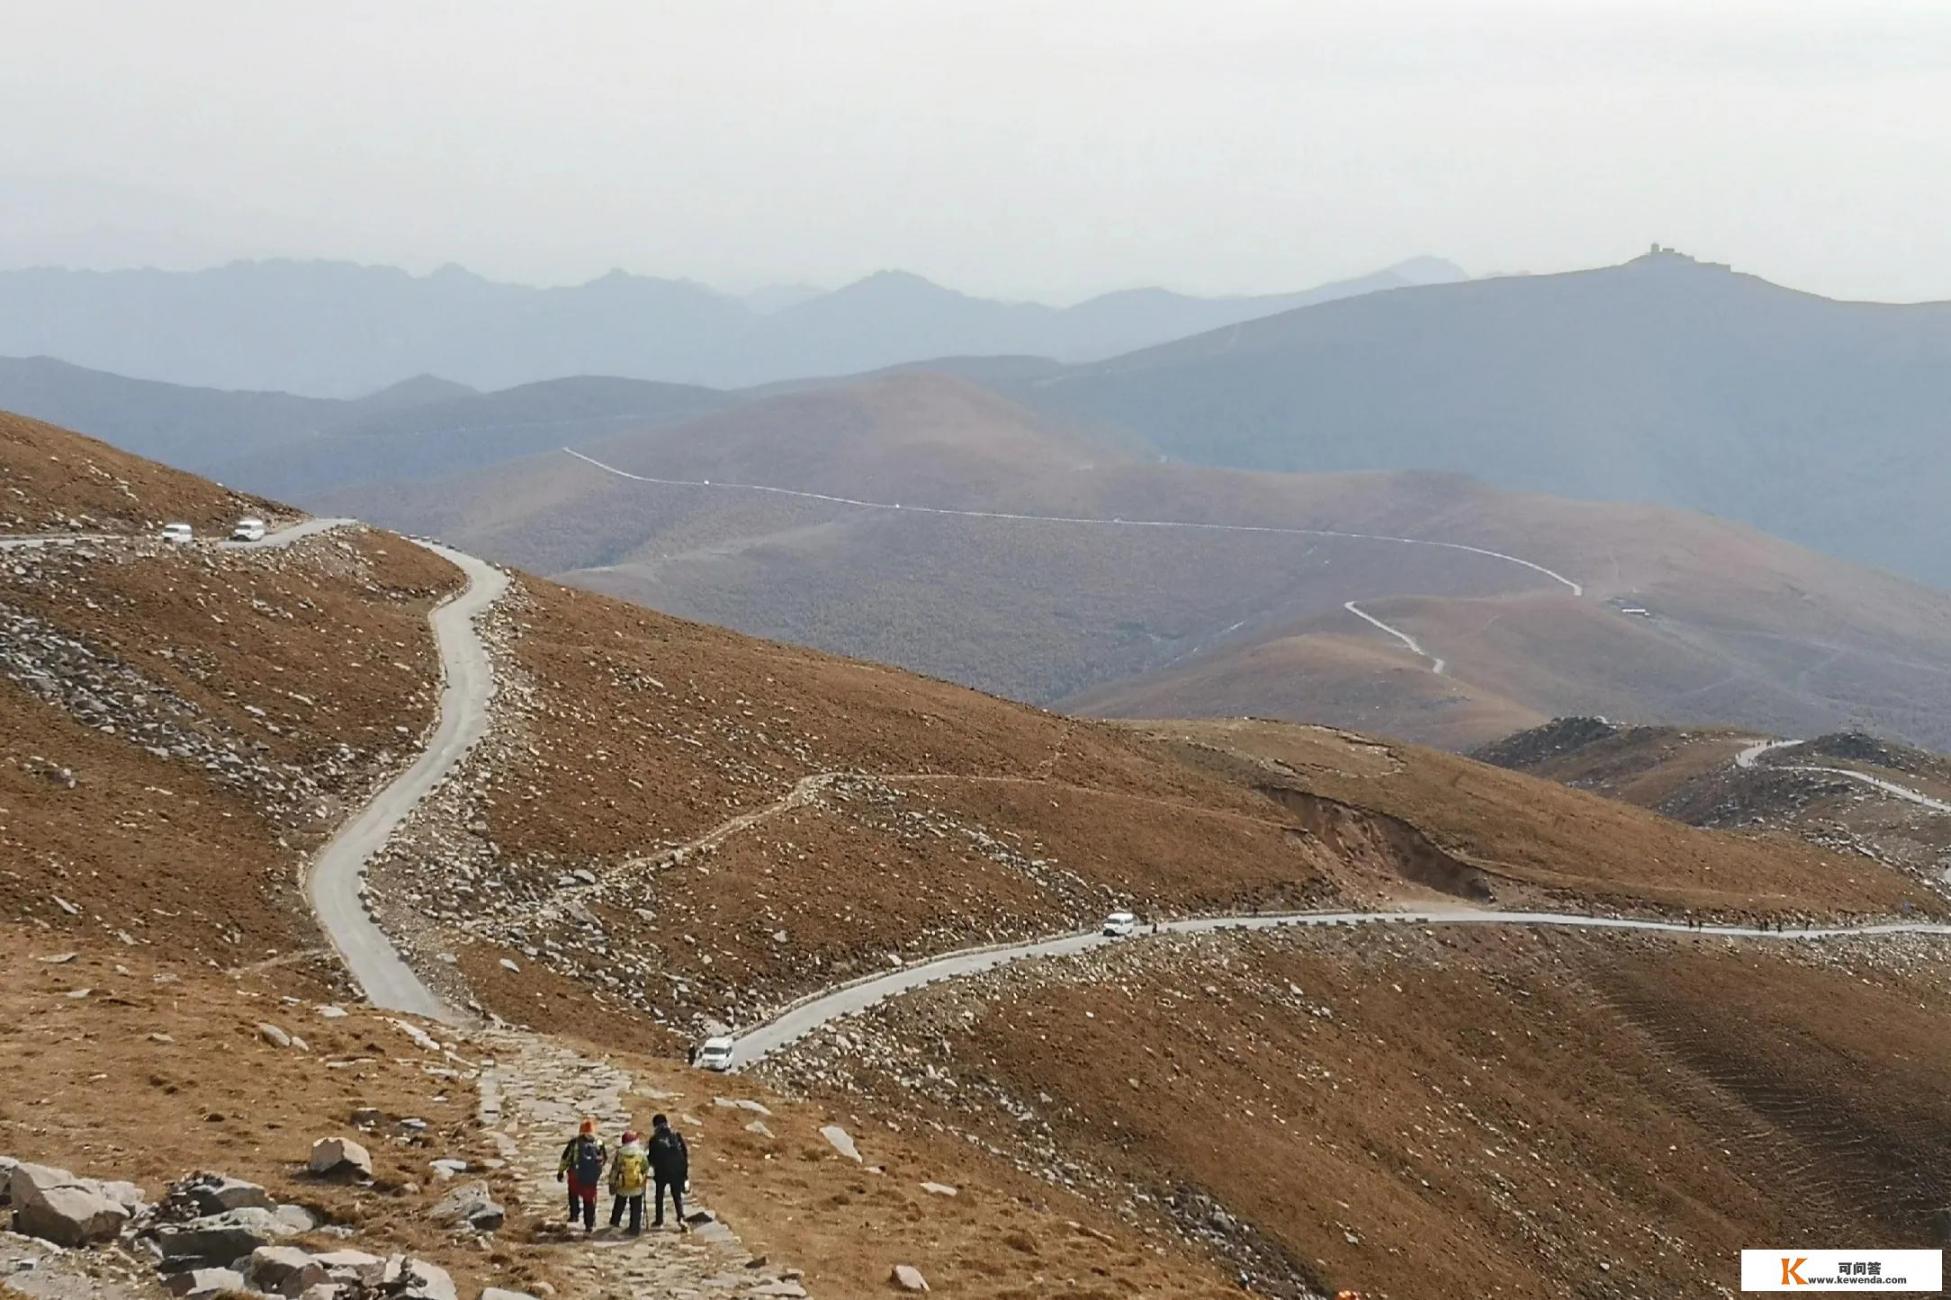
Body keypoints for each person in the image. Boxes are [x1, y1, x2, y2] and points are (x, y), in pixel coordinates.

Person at [556, 1117, 607, 1232]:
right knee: (589, 1199)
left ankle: (574, 1215)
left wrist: (560, 1171)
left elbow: (566, 1158)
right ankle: (589, 1223)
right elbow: (604, 1159)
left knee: (573, 1194)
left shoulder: (574, 1143)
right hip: (591, 1176)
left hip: (575, 1174)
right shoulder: (599, 1143)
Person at [647, 1113, 690, 1231]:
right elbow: (685, 1154)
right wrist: (684, 1172)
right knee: (676, 1195)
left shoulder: (654, 1139)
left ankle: (659, 1220)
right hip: (677, 1170)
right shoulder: (676, 1136)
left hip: (661, 1171)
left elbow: (651, 1158)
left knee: (659, 1195)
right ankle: (680, 1216)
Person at [608, 1129, 649, 1235]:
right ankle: (634, 1228)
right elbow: (645, 1167)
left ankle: (614, 1222)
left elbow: (615, 1170)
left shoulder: (620, 1153)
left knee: (619, 1204)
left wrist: (612, 1183)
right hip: (636, 1186)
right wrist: (644, 1179)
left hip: (622, 1185)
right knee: (636, 1207)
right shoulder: (640, 1153)